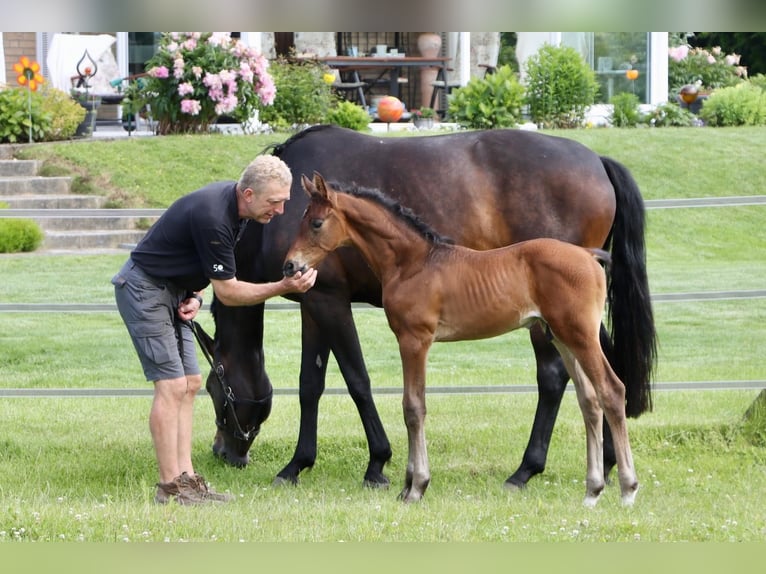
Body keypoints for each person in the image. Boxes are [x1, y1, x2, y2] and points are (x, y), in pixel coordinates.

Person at [112, 155, 317, 505]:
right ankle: (169, 488)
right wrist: (282, 287)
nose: (280, 211)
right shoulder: (214, 215)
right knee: (172, 385)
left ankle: (188, 482)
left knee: (190, 384)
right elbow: (229, 291)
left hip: (173, 291)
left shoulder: (240, 212)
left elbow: (205, 269)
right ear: (249, 194)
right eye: (274, 202)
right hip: (143, 289)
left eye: (283, 202)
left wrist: (194, 294)